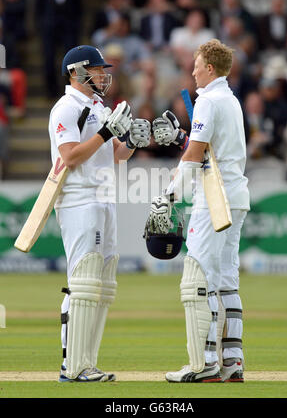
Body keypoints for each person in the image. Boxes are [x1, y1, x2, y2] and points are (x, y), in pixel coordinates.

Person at [148, 39, 250, 382]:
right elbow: (206, 149)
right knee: (225, 280)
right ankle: (232, 360)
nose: (191, 71)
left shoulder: (207, 100)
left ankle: (204, 363)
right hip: (236, 196)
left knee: (198, 278)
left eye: (196, 65)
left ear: (210, 68)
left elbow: (194, 157)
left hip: (214, 198)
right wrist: (182, 136)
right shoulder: (230, 99)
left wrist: (169, 194)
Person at [48, 45, 151, 382]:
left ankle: (86, 364)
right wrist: (106, 131)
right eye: (97, 69)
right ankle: (72, 366)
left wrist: (133, 139)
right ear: (77, 72)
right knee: (83, 283)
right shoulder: (66, 108)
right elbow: (71, 157)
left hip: (104, 198)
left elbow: (116, 155)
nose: (105, 75)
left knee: (102, 286)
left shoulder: (97, 106)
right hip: (79, 201)